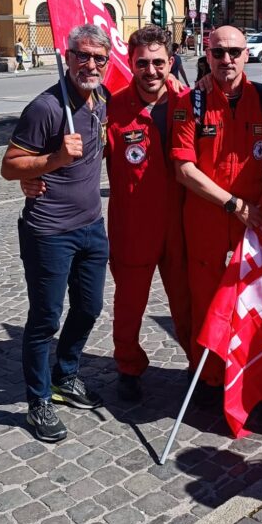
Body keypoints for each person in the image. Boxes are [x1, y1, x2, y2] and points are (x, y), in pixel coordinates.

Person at [171, 25, 262, 426]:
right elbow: (183, 169)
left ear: (247, 54)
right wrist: (232, 204)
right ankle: (211, 380)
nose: (226, 59)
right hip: (208, 221)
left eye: (234, 52)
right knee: (207, 305)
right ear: (207, 55)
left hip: (256, 222)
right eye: (218, 52)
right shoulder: (190, 102)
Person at [1, 24, 111, 443]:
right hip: (49, 233)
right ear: (68, 57)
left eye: (98, 58)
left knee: (89, 307)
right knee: (45, 319)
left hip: (91, 227)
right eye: (83, 55)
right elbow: (10, 166)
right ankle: (38, 401)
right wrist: (54, 160)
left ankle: (66, 376)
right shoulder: (46, 107)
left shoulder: (102, 99)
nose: (90, 64)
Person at [107, 25, 191, 401]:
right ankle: (128, 367)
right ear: (130, 63)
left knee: (187, 304)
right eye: (143, 63)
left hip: (180, 224)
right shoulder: (111, 107)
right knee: (129, 304)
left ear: (171, 62)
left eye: (158, 62)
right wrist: (37, 177)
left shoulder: (189, 101)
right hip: (133, 225)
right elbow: (81, 160)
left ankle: (200, 365)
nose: (151, 70)